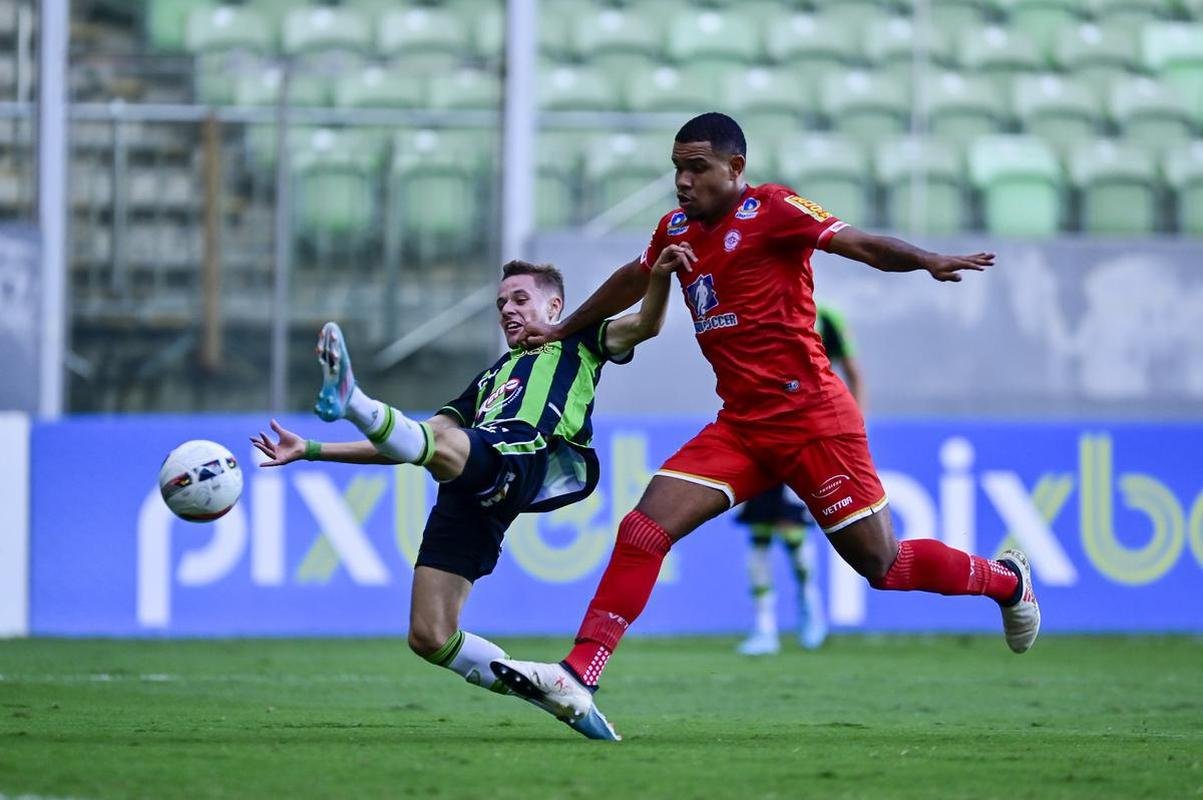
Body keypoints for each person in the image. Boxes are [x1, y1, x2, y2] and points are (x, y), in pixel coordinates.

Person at [490, 113, 1040, 739]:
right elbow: (633, 278)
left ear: (735, 169)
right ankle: (579, 674)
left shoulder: (774, 208)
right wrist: (563, 328)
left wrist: (927, 260)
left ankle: (1006, 581)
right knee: (644, 528)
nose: (683, 180)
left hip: (812, 420)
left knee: (883, 568)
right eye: (677, 167)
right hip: (743, 427)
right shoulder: (674, 229)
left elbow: (859, 244)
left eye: (697, 167)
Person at [250, 258, 686, 741]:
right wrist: (312, 450)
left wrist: (662, 276)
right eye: (501, 303)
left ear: (554, 305)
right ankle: (561, 694)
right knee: (429, 635)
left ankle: (354, 401)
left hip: (521, 457)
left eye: (520, 299)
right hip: (469, 480)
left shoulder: (581, 340)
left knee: (449, 448)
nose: (507, 309)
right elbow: (419, 440)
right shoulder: (489, 377)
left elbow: (647, 323)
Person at [736, 304, 864, 655]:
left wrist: (851, 427)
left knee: (792, 530)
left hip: (805, 435)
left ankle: (811, 610)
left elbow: (853, 372)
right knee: (759, 534)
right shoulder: (759, 307)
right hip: (760, 433)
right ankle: (764, 626)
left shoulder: (827, 317)